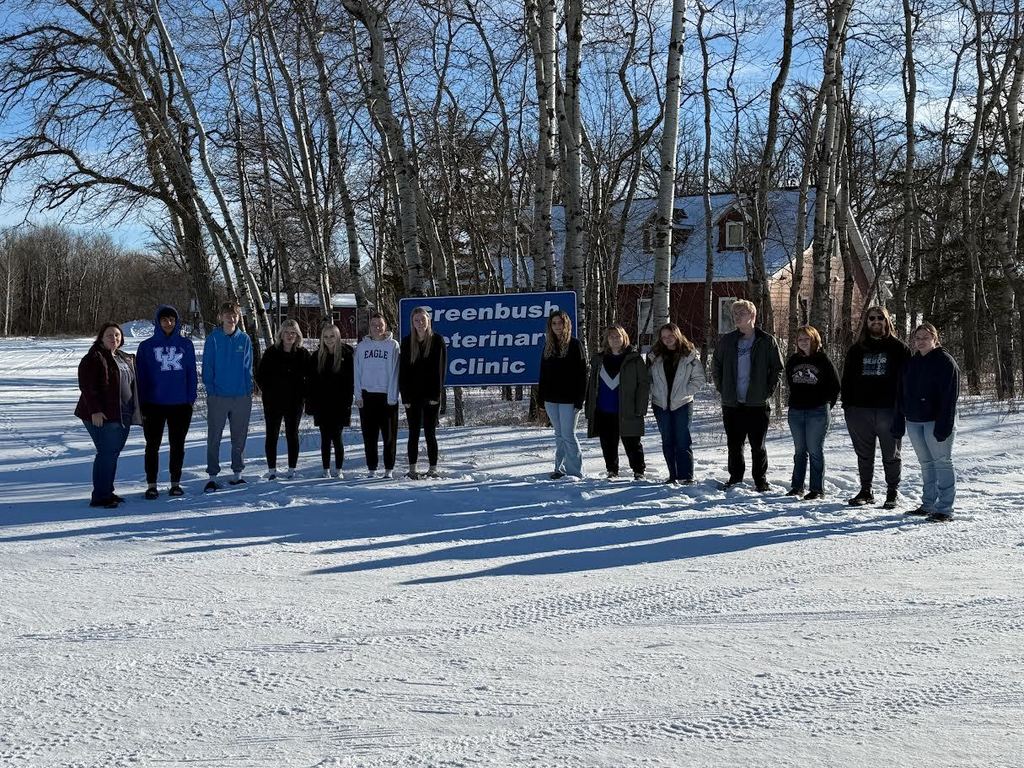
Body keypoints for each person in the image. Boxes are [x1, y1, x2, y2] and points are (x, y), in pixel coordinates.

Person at [840, 305, 911, 509]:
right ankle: (866, 491)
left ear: (887, 321)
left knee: (891, 454)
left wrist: (902, 407)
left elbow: (907, 380)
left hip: (889, 410)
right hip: (859, 411)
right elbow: (847, 380)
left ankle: (892, 492)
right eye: (872, 318)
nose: (876, 321)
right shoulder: (856, 350)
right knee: (864, 454)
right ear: (866, 321)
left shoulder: (899, 349)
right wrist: (848, 407)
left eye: (880, 318)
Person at [712, 299, 785, 491]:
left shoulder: (766, 340)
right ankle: (735, 478)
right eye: (735, 314)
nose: (736, 317)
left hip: (757, 403)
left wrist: (767, 391)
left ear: (752, 316)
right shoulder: (727, 341)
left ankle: (760, 480)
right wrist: (722, 388)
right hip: (732, 403)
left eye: (741, 313)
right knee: (734, 445)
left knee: (757, 445)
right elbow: (716, 366)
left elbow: (777, 368)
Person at [892, 322, 960, 522]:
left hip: (937, 421)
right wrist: (899, 419)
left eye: (925, 337)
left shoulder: (945, 362)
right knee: (926, 463)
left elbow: (950, 397)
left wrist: (944, 425)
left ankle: (945, 509)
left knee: (942, 462)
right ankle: (928, 504)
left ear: (935, 339)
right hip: (914, 421)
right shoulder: (911, 364)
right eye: (918, 338)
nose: (921, 341)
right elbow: (901, 394)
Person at [75, 322, 143, 508]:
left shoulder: (123, 357)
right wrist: (95, 410)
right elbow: (87, 387)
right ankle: (100, 496)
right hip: (103, 415)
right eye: (110, 336)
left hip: (123, 413)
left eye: (117, 335)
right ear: (101, 338)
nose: (114, 339)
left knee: (112, 453)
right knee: (106, 453)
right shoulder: (94, 357)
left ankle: (107, 491)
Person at [136, 305, 197, 499]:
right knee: (152, 445)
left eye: (172, 319)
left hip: (180, 404)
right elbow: (141, 376)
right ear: (158, 322)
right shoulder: (146, 346)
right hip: (154, 404)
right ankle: (152, 484)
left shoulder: (186, 345)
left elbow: (191, 373)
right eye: (164, 320)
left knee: (177, 444)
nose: (168, 323)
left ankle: (175, 482)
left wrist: (190, 399)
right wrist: (143, 401)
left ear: (177, 321)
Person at [585, 325, 649, 480]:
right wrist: (589, 406)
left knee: (632, 442)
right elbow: (592, 384)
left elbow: (643, 384)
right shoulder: (599, 359)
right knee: (608, 443)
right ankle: (612, 470)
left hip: (628, 409)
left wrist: (641, 407)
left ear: (624, 338)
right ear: (607, 339)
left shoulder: (634, 359)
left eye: (618, 336)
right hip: (604, 409)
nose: (615, 339)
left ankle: (638, 471)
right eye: (611, 336)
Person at [202, 301, 254, 492]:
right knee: (214, 437)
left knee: (239, 437)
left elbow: (248, 366)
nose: (231, 318)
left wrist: (247, 390)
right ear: (221, 317)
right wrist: (211, 390)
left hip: (241, 396)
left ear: (238, 317)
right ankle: (212, 476)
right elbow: (207, 366)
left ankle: (237, 474)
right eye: (227, 315)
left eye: (235, 315)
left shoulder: (244, 339)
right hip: (218, 396)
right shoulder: (214, 338)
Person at [784, 325, 840, 500]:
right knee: (800, 450)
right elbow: (790, 383)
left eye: (807, 339)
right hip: (796, 412)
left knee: (815, 450)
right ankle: (797, 487)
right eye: (800, 339)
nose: (803, 342)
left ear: (814, 340)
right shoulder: (793, 360)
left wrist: (826, 406)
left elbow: (835, 385)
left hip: (817, 411)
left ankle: (817, 489)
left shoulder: (822, 359)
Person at [648, 322, 705, 484]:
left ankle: (686, 476)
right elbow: (647, 378)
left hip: (682, 404)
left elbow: (699, 378)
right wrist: (654, 390)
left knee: (682, 439)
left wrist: (686, 392)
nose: (667, 339)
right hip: (661, 404)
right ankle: (673, 475)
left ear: (677, 334)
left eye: (670, 335)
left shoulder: (689, 354)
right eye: (664, 337)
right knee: (667, 440)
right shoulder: (655, 356)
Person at [255, 319, 310, 480]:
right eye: (286, 332)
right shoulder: (271, 352)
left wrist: (304, 394)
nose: (290, 335)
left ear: (297, 335)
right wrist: (269, 391)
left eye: (293, 332)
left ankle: (291, 470)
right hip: (273, 402)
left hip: (295, 402)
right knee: (271, 434)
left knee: (292, 434)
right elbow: (260, 375)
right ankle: (272, 470)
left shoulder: (303, 354)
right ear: (281, 334)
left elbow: (310, 377)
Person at [537, 309, 588, 479]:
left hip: (569, 399)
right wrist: (540, 400)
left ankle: (575, 471)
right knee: (558, 435)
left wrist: (580, 400)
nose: (557, 326)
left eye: (560, 323)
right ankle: (560, 469)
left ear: (566, 324)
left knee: (568, 434)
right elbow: (543, 375)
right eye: (554, 323)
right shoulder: (548, 346)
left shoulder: (575, 345)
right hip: (551, 399)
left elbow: (583, 375)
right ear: (550, 326)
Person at [399, 306, 448, 479]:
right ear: (412, 323)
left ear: (428, 321)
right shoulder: (406, 343)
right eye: (416, 320)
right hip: (412, 396)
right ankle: (412, 469)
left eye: (422, 320)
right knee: (413, 433)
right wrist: (404, 396)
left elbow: (440, 371)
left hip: (430, 395)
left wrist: (436, 396)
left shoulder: (437, 341)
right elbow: (403, 372)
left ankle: (432, 468)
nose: (420, 323)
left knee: (429, 432)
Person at [355, 312, 401, 478]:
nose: (377, 328)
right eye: (374, 324)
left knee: (389, 436)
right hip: (367, 397)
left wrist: (392, 396)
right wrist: (358, 395)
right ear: (369, 327)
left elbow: (395, 372)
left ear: (385, 326)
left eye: (380, 324)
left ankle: (389, 469)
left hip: (387, 396)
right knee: (370, 436)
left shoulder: (393, 345)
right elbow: (357, 372)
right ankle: (372, 469)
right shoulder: (362, 347)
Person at [306, 322, 355, 478]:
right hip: (322, 404)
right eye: (326, 336)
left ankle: (339, 470)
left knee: (337, 436)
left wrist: (349, 401)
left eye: (332, 336)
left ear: (338, 336)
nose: (329, 339)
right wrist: (311, 404)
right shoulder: (316, 356)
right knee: (325, 437)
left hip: (341, 403)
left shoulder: (347, 354)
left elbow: (351, 381)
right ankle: (326, 469)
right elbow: (311, 383)